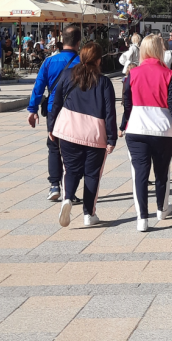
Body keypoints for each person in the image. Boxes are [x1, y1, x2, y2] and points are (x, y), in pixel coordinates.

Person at [120, 34, 172, 232]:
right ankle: (161, 209)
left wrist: (124, 125)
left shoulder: (133, 74)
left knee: (140, 173)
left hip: (136, 128)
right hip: (163, 130)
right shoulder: (169, 74)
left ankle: (142, 218)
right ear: (159, 50)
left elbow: (127, 104)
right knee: (162, 172)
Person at [50, 42, 117, 228]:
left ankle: (67, 199)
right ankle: (89, 214)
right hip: (95, 133)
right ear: (98, 60)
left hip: (68, 130)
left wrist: (51, 127)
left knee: (70, 170)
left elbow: (56, 103)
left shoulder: (67, 75)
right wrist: (112, 138)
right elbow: (110, 113)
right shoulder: (104, 82)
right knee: (92, 174)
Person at [27, 26, 82, 202]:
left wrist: (33, 109)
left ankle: (54, 185)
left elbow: (38, 86)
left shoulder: (49, 62)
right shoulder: (82, 62)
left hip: (53, 110)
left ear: (62, 41)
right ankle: (70, 191)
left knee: (54, 146)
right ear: (78, 42)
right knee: (74, 149)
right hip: (76, 110)